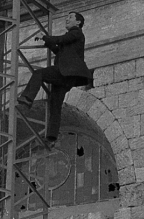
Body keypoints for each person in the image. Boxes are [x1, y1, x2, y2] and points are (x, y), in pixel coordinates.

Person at [17, 11, 93, 146]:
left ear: (78, 22)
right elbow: (59, 50)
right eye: (67, 17)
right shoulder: (72, 38)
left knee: (39, 74)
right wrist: (47, 42)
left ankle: (28, 98)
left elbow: (60, 40)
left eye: (70, 17)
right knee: (55, 104)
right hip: (66, 76)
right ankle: (52, 135)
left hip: (66, 73)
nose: (66, 19)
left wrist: (46, 38)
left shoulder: (77, 33)